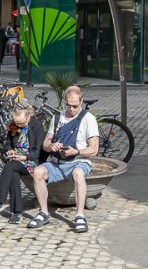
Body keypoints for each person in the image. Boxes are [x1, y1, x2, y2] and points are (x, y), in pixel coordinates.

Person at [26, 84, 99, 233]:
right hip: (57, 162)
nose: (71, 109)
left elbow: (94, 149)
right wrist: (51, 146)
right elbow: (46, 143)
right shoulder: (58, 117)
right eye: (68, 105)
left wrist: (76, 151)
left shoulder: (88, 119)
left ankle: (80, 215)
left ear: (81, 101)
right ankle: (44, 212)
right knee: (38, 172)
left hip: (78, 160)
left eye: (75, 106)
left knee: (78, 173)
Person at [0, 104, 46, 222]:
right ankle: (17, 212)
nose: (18, 125)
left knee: (10, 166)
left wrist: (24, 157)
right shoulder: (13, 125)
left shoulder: (37, 126)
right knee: (13, 173)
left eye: (21, 123)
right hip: (16, 160)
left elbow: (38, 152)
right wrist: (9, 151)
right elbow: (7, 143)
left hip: (31, 161)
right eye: (16, 122)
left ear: (28, 116)